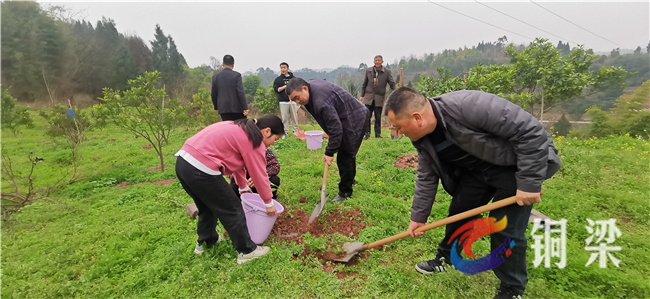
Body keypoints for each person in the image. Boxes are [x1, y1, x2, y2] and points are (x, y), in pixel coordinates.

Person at [383, 88, 561, 299]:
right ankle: (446, 258)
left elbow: (531, 132)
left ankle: (512, 289)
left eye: (399, 127)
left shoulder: (470, 105)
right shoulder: (422, 137)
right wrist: (418, 217)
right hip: (478, 170)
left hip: (513, 167)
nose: (399, 133)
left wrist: (529, 183)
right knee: (460, 211)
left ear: (417, 118)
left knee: (503, 227)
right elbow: (426, 175)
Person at [174, 115, 284, 264]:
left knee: (206, 207)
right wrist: (268, 202)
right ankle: (247, 251)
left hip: (183, 163)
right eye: (275, 139)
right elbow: (259, 174)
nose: (273, 143)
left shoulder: (239, 128)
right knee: (233, 209)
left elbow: (236, 162)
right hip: (201, 169)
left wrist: (243, 187)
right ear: (267, 131)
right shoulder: (254, 141)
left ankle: (206, 242)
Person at [286, 77, 369, 203]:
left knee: (345, 154)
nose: (297, 102)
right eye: (294, 100)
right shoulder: (310, 88)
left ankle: (345, 192)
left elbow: (336, 130)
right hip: (346, 115)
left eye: (297, 97)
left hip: (356, 117)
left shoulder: (321, 102)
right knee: (348, 152)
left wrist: (329, 152)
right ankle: (349, 178)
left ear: (304, 88)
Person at [360, 55, 397, 140]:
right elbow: (364, 84)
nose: (377, 62)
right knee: (367, 117)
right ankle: (367, 134)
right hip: (368, 98)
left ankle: (377, 135)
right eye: (376, 60)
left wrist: (398, 90)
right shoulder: (368, 71)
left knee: (378, 117)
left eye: (379, 60)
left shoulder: (386, 72)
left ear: (382, 62)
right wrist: (362, 95)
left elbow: (392, 83)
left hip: (379, 98)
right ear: (374, 61)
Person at [211, 54, 249, 121]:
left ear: (223, 64)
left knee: (227, 128)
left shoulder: (216, 76)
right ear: (233, 64)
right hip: (237, 109)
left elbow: (213, 93)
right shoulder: (237, 75)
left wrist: (216, 107)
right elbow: (240, 92)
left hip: (223, 109)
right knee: (240, 128)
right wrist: (245, 107)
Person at [273, 62, 298, 139]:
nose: (283, 69)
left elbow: (297, 88)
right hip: (283, 101)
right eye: (281, 68)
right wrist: (285, 86)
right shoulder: (278, 79)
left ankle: (295, 131)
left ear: (287, 68)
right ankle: (285, 132)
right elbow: (276, 89)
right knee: (284, 118)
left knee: (294, 117)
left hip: (293, 100)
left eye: (284, 67)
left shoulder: (293, 78)